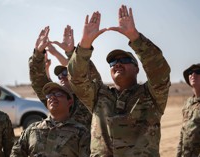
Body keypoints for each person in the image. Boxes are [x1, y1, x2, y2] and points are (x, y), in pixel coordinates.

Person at [68, 5, 171, 156]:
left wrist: (135, 38)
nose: (117, 64)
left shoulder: (151, 95)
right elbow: (76, 79)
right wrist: (84, 45)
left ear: (137, 68)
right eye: (112, 63)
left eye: (124, 60)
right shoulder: (98, 95)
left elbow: (160, 72)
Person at [29, 25, 100, 129]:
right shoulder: (54, 99)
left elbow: (89, 74)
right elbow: (38, 81)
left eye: (65, 73)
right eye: (59, 75)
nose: (61, 77)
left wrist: (71, 52)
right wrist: (38, 54)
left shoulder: (89, 98)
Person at [10, 82, 90, 157]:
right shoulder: (32, 129)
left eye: (58, 94)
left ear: (69, 102)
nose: (52, 97)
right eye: (49, 95)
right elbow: (16, 153)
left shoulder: (81, 132)